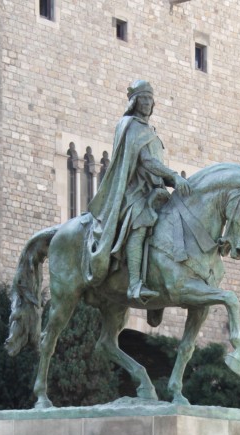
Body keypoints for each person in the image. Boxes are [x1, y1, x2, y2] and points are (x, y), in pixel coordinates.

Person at [87, 80, 191, 302]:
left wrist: (169, 182)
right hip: (134, 193)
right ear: (134, 102)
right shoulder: (131, 126)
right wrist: (173, 176)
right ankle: (134, 284)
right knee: (140, 222)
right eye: (142, 99)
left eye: (149, 99)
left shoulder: (149, 131)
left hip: (154, 191)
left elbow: (155, 165)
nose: (146, 103)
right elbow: (147, 162)